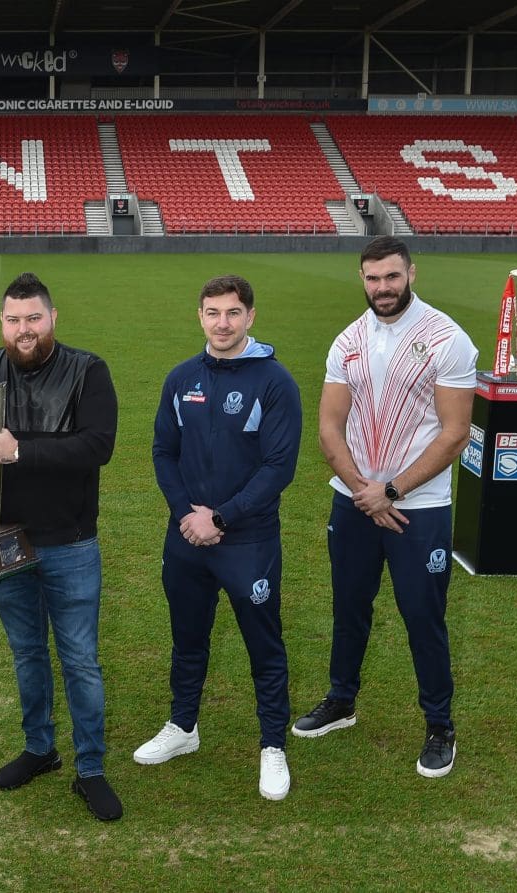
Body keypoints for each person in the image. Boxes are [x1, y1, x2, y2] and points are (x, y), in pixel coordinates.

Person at [291, 236, 477, 779]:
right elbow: (329, 424)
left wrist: (389, 491)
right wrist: (361, 490)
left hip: (419, 508)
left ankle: (439, 725)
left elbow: (455, 433)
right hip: (353, 502)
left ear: (411, 274)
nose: (382, 288)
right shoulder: (347, 339)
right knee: (349, 606)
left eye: (391, 277)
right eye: (372, 279)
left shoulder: (447, 338)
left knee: (423, 616)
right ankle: (340, 701)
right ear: (362, 280)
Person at [137, 274, 302, 800]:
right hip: (186, 535)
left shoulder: (275, 382)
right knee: (188, 639)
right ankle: (183, 727)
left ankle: (272, 745)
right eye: (212, 313)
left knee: (264, 645)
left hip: (246, 540)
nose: (222, 323)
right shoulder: (182, 377)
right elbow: (164, 451)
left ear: (250, 316)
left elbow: (278, 467)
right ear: (200, 317)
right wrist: (188, 514)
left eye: (232, 313)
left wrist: (222, 519)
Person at [0, 272, 122, 821]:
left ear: (52, 318)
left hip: (70, 542)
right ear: (3, 324)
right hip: (5, 542)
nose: (23, 330)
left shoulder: (88, 370)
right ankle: (40, 749)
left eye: (33, 318)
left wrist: (20, 451)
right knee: (27, 652)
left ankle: (91, 769)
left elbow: (98, 446)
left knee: (80, 660)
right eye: (13, 320)